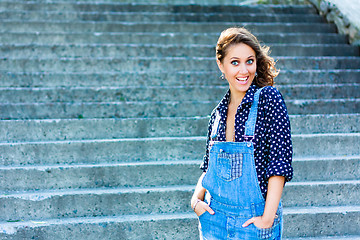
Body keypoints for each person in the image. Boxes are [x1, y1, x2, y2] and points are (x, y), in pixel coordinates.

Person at [190, 27, 293, 239]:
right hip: (214, 220)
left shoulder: (268, 99)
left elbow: (279, 164)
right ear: (221, 65)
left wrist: (266, 218)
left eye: (250, 61)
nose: (244, 70)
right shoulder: (217, 113)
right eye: (235, 62)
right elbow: (209, 167)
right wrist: (195, 200)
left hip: (253, 223)